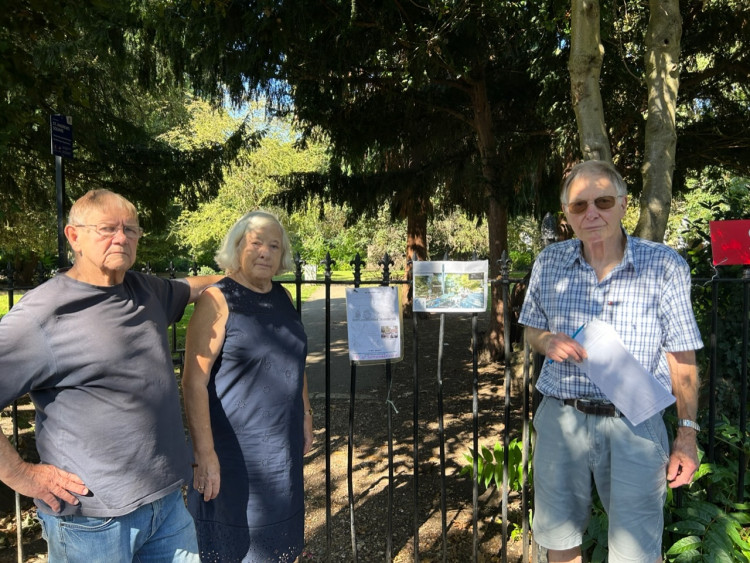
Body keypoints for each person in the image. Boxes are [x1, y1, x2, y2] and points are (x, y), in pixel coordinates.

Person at [0, 189, 224, 561]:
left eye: (130, 229)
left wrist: (239, 276)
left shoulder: (145, 290)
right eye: (107, 229)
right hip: (92, 519)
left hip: (166, 502)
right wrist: (22, 475)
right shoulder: (42, 315)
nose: (121, 238)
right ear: (74, 237)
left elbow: (194, 287)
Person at [519, 160, 703, 562]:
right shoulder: (549, 264)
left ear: (623, 204)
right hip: (561, 419)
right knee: (558, 541)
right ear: (567, 215)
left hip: (635, 424)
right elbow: (531, 331)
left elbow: (682, 355)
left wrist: (686, 434)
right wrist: (546, 339)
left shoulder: (664, 266)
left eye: (602, 200)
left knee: (635, 551)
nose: (592, 213)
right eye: (579, 205)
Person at [182, 210, 313, 562]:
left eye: (274, 245)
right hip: (233, 452)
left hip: (281, 446)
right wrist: (204, 455)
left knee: (276, 539)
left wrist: (306, 412)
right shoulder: (218, 300)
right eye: (256, 243)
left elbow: (293, 356)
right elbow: (193, 381)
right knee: (233, 544)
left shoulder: (282, 297)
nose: (265, 252)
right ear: (237, 246)